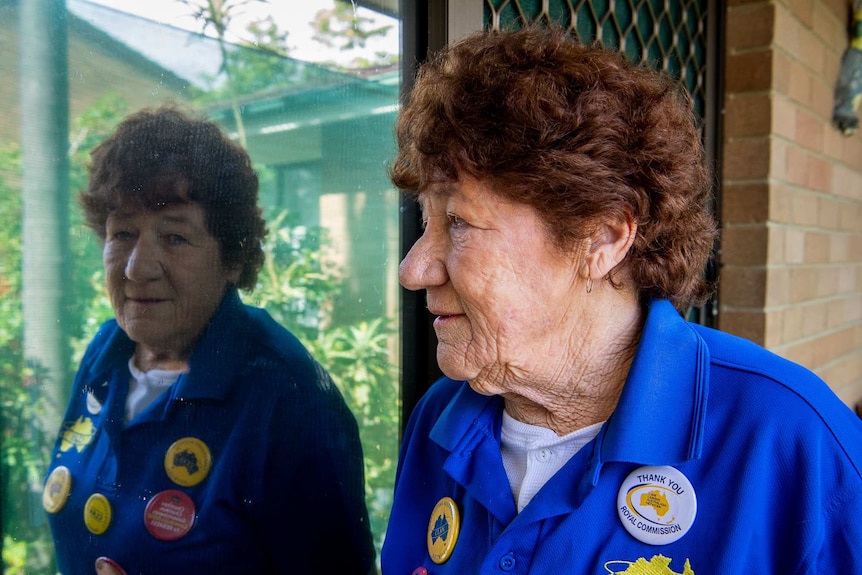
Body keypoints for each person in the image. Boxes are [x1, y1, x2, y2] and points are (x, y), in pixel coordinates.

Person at [382, 26, 862, 575]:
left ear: (603, 238)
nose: (413, 269)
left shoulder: (792, 442)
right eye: (425, 223)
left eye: (459, 222)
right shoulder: (439, 420)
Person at [42, 106, 375, 575]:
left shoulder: (289, 399)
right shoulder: (107, 350)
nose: (138, 268)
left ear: (233, 259)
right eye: (123, 233)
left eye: (175, 237)